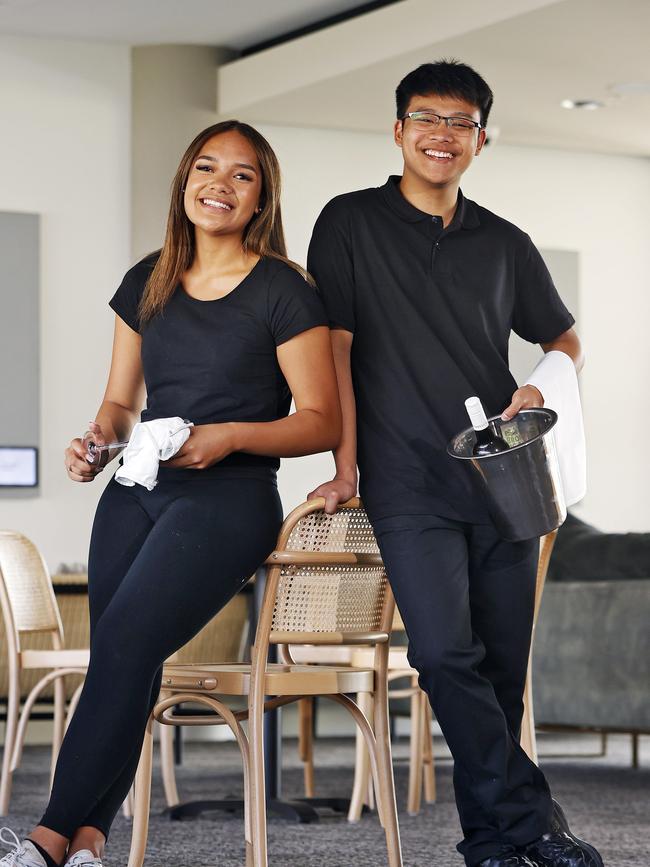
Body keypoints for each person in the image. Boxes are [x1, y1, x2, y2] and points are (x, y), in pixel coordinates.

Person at [1, 120, 341, 867]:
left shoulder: (283, 288)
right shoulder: (148, 279)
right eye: (206, 167)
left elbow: (320, 419)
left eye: (241, 174)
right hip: (138, 488)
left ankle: (49, 838)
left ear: (260, 198)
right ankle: (91, 841)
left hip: (230, 498)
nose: (219, 183)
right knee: (126, 656)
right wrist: (94, 443)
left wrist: (229, 435)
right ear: (184, 182)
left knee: (126, 642)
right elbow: (122, 406)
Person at [307, 61, 603, 867]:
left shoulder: (505, 242)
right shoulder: (349, 224)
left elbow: (564, 338)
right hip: (406, 480)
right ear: (399, 129)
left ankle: (491, 843)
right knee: (442, 653)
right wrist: (345, 463)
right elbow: (335, 345)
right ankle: (534, 816)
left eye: (461, 122)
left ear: (481, 140)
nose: (443, 133)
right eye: (426, 117)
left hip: (505, 477)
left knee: (501, 666)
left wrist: (538, 386)